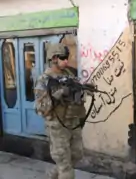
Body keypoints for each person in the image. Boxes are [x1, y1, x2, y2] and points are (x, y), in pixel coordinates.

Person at [34, 43, 87, 179]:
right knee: (65, 166)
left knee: (77, 154)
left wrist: (83, 91)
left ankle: (52, 175)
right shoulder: (44, 79)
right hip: (57, 126)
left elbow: (78, 96)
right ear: (53, 59)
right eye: (63, 58)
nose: (66, 61)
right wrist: (56, 96)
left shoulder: (69, 75)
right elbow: (39, 108)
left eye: (67, 57)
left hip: (72, 121)